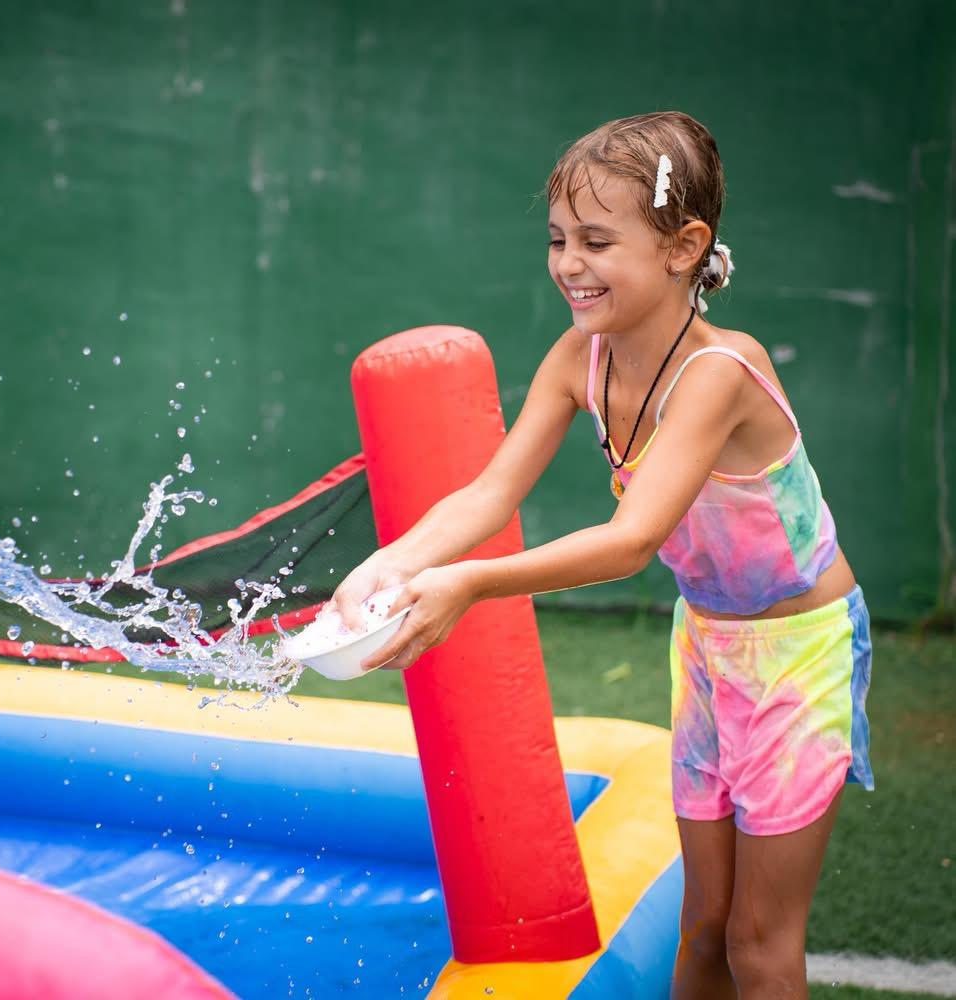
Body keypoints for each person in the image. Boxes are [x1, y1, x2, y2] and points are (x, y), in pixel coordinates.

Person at [330, 111, 871, 999]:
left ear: (683, 246)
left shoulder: (720, 374)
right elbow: (487, 493)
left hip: (797, 658)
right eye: (556, 240)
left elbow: (630, 542)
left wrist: (467, 583)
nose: (569, 264)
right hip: (707, 647)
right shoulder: (581, 357)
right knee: (700, 929)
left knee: (760, 942)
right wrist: (393, 562)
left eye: (596, 240)